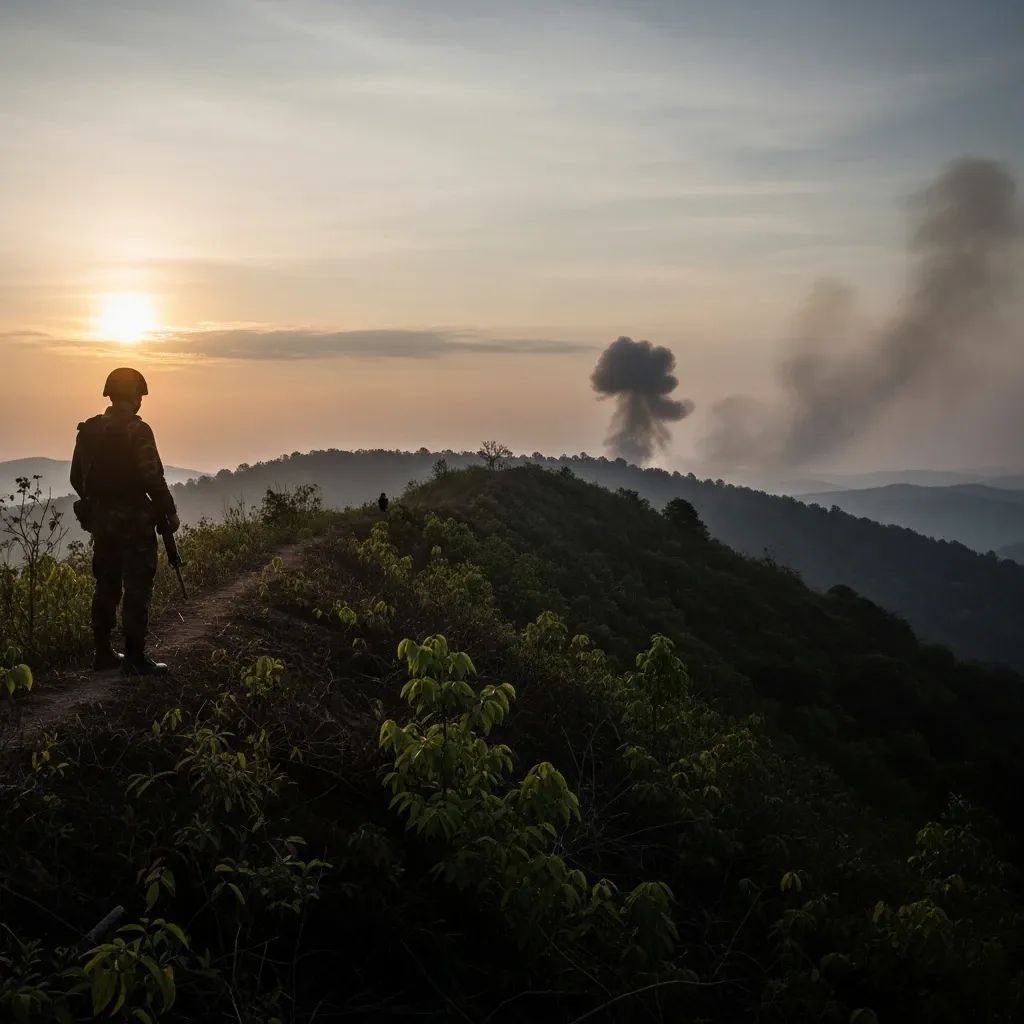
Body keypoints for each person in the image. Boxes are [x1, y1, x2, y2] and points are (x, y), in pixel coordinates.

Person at [70, 367, 180, 675]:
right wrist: (168, 512)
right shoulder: (137, 430)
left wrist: (100, 504)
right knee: (137, 586)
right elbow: (152, 477)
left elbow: (76, 477)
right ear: (135, 396)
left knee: (105, 584)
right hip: (134, 521)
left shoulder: (89, 430)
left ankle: (103, 653)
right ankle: (134, 658)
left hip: (102, 522)